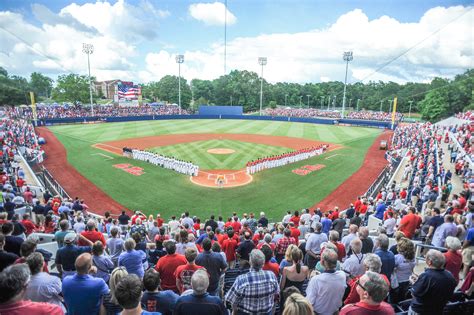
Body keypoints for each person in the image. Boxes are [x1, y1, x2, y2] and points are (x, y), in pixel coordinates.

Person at [225, 249, 280, 314]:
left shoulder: (241, 279)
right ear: (263, 263)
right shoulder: (272, 276)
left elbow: (232, 300)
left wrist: (234, 311)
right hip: (267, 312)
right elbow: (277, 295)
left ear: (250, 262)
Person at [409, 249, 457, 315]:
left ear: (430, 262)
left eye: (426, 257)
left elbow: (414, 294)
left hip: (421, 311)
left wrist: (413, 282)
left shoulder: (426, 276)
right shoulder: (450, 275)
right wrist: (419, 281)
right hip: (438, 310)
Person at [306, 248, 346, 315]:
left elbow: (310, 302)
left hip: (319, 313)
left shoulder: (316, 280)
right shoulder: (342, 275)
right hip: (335, 311)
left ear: (322, 262)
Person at [392, 238, 416, 303]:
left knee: (394, 300)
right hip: (408, 281)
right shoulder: (413, 257)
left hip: (397, 282)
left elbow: (392, 269)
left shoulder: (397, 257)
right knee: (403, 299)